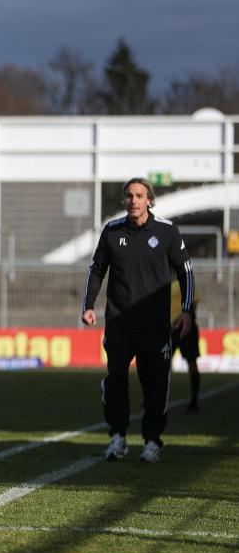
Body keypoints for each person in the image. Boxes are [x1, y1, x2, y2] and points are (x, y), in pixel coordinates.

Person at [82, 177, 194, 463]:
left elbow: (186, 272)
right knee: (116, 381)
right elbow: (97, 270)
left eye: (139, 195)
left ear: (149, 200)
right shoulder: (111, 231)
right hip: (119, 323)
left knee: (155, 385)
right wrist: (89, 305)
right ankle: (118, 438)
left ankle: (152, 442)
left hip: (156, 326)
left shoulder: (168, 232)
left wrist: (187, 309)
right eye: (129, 196)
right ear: (125, 200)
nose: (134, 200)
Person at [171, 278, 201, 412]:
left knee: (191, 362)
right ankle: (155, 399)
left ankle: (194, 400)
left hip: (186, 328)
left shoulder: (186, 282)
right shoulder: (165, 285)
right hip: (170, 330)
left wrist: (181, 318)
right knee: (160, 363)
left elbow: (194, 303)